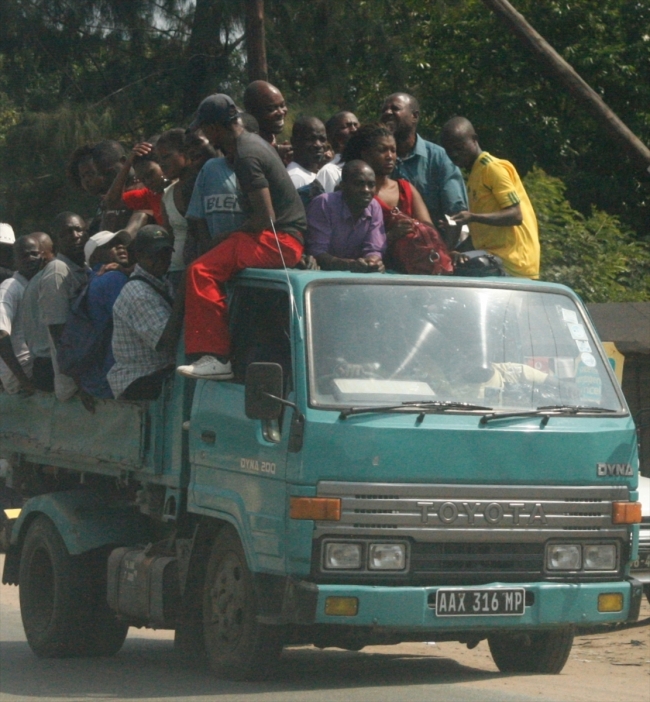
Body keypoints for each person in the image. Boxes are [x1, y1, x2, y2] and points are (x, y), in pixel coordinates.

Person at [177, 93, 306, 380]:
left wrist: (223, 239)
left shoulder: (247, 155)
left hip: (280, 241)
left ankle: (216, 357)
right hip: (282, 238)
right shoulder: (251, 143)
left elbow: (266, 218)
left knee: (200, 271)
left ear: (212, 129)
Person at [440, 117, 540, 278]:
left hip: (513, 262)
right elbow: (482, 236)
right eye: (449, 150)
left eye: (459, 147)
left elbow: (515, 215)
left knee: (466, 272)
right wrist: (453, 250)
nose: (454, 154)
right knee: (448, 265)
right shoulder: (474, 175)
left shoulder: (492, 168)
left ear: (474, 140)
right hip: (494, 256)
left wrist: (472, 217)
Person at [108, 225, 185, 401]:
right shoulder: (139, 293)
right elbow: (167, 342)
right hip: (138, 379)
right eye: (153, 255)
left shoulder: (160, 282)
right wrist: (183, 294)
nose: (161, 260)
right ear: (139, 256)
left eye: (165, 253)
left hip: (154, 374)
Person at [342, 124, 432, 271]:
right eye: (382, 150)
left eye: (393, 150)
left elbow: (429, 230)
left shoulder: (406, 189)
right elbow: (346, 243)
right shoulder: (354, 192)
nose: (390, 156)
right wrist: (390, 236)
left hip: (413, 272)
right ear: (365, 154)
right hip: (370, 271)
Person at [380, 93, 468, 226]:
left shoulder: (439, 158)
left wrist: (445, 246)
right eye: (384, 110)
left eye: (395, 108)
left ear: (414, 116)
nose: (387, 112)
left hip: (433, 242)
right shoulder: (375, 158)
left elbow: (455, 214)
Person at [39, 212, 89, 401]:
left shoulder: (84, 268)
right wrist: (79, 381)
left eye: (79, 230)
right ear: (56, 239)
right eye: (67, 232)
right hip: (75, 387)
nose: (75, 236)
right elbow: (59, 333)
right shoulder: (57, 271)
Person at [306, 160, 386, 272]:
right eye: (359, 184)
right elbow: (317, 253)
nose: (366, 190)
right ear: (343, 186)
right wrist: (349, 265)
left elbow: (374, 249)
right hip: (323, 277)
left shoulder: (374, 206)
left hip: (357, 278)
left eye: (371, 185)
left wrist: (373, 262)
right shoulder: (324, 203)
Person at [79, 230, 132, 398]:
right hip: (117, 374)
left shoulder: (94, 278)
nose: (121, 246)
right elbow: (131, 322)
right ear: (94, 257)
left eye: (121, 242)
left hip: (100, 375)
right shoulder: (113, 278)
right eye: (111, 244)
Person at [0, 236, 43, 394]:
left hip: (32, 373)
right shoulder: (10, 287)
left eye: (34, 254)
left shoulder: (36, 286)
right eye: (24, 255)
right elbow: (1, 334)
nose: (30, 259)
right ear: (15, 261)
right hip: (22, 380)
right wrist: (24, 382)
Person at [103, 139, 168, 228]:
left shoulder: (181, 185)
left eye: (150, 174)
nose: (148, 182)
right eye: (143, 179)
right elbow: (112, 202)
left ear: (162, 164)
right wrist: (128, 163)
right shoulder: (149, 195)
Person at [156, 129, 193, 284]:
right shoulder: (167, 195)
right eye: (159, 160)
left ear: (185, 153)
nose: (162, 164)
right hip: (175, 272)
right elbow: (168, 237)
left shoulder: (202, 185)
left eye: (166, 156)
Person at [21, 233, 56, 392]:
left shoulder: (31, 283)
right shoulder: (49, 279)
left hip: (41, 363)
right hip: (50, 363)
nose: (33, 258)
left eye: (35, 252)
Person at [91, 140, 148, 234]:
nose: (105, 179)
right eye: (101, 175)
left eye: (108, 173)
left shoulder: (147, 183)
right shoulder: (110, 198)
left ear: (124, 161)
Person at [243, 80, 292, 162]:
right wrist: (274, 152)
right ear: (252, 113)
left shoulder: (271, 136)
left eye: (282, 105)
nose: (281, 112)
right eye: (271, 109)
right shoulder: (245, 147)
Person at [316, 111, 360, 193]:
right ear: (331, 136)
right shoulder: (329, 172)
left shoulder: (369, 164)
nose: (354, 130)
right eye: (346, 126)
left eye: (356, 125)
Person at [286, 117, 327, 188]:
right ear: (294, 142)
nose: (318, 145)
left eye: (322, 139)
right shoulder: (296, 178)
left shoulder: (311, 175)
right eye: (311, 139)